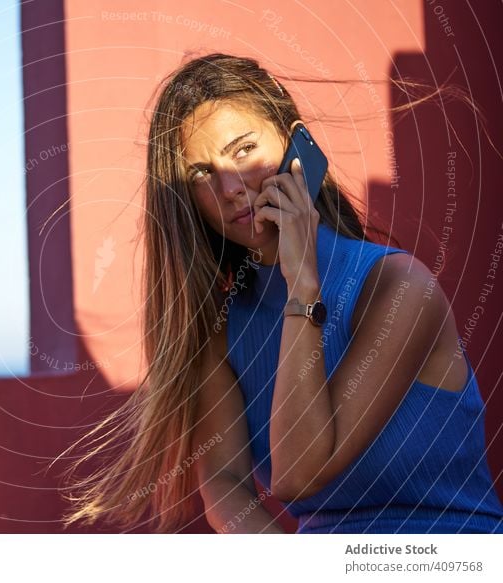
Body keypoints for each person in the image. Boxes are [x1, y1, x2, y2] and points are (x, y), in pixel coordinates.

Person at [55, 53, 503, 534]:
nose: (230, 187)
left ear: (296, 146)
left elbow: (297, 472)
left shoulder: (398, 289)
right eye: (202, 172)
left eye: (244, 149)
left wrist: (302, 285)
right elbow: (226, 485)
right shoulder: (222, 330)